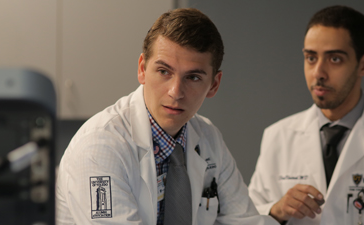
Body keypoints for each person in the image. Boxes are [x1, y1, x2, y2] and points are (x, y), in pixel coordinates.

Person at [56, 8, 277, 225]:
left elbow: (247, 221)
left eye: (193, 77)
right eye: (164, 71)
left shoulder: (208, 139)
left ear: (214, 84)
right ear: (142, 69)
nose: (175, 92)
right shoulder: (100, 147)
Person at [248, 5, 364, 225]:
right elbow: (248, 214)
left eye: (334, 59)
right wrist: (276, 209)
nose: (318, 73)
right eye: (311, 58)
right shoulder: (277, 136)